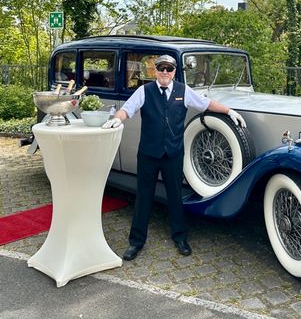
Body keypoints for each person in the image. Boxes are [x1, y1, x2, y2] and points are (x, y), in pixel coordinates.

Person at [102, 54, 246, 260]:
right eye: (161, 68)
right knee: (143, 197)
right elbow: (127, 109)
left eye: (169, 69)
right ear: (155, 70)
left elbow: (206, 104)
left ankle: (180, 238)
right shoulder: (145, 91)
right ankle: (136, 242)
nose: (165, 72)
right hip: (149, 154)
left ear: (174, 72)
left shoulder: (183, 91)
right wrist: (117, 120)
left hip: (173, 153)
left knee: (175, 196)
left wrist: (229, 111)